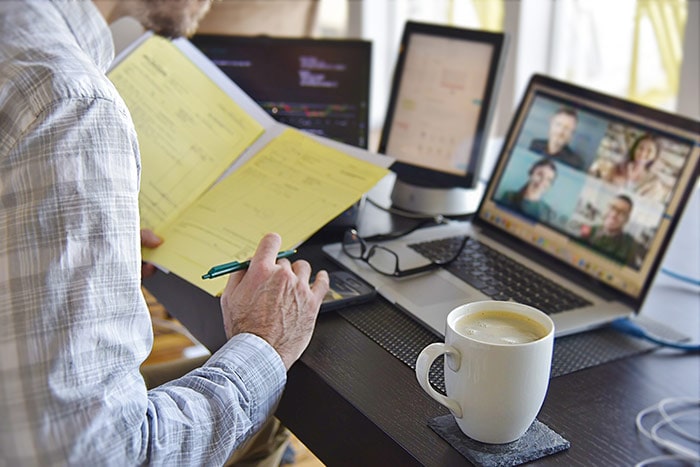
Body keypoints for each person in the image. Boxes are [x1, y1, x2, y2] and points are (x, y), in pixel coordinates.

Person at [0, 1, 330, 466]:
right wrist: (262, 344)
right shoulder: (72, 104)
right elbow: (92, 457)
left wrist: (73, 243)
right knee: (271, 399)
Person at [590, 133, 670, 202]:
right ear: (634, 149)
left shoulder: (654, 184)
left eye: (649, 151)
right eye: (640, 148)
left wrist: (628, 181)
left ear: (654, 156)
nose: (643, 153)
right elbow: (601, 194)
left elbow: (643, 210)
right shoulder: (617, 168)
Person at [580, 194, 641, 267]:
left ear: (626, 219)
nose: (614, 215)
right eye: (612, 208)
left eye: (621, 212)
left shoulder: (630, 244)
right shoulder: (588, 229)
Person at [499, 159, 558, 223]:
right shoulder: (509, 197)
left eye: (548, 180)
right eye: (540, 174)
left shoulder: (548, 213)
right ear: (530, 173)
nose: (542, 182)